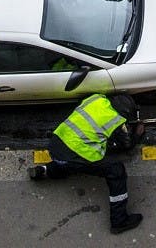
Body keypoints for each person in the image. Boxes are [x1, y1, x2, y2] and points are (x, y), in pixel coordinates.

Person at [28, 93, 146, 234]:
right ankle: (119, 221)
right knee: (116, 170)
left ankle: (44, 170)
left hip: (57, 143)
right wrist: (138, 134)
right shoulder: (115, 120)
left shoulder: (96, 98)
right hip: (74, 154)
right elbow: (127, 144)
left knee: (68, 161)